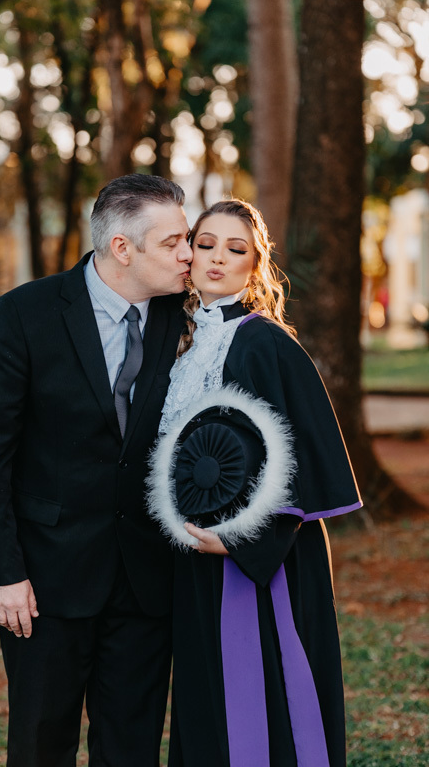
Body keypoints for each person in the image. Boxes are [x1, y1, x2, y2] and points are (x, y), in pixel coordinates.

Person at [0, 174, 193, 767]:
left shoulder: (184, 317)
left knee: (132, 747)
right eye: (172, 243)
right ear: (123, 248)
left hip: (145, 578)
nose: (188, 255)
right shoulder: (24, 314)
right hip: (44, 581)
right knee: (42, 744)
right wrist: (2, 571)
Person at [147, 199, 362, 767]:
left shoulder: (265, 343)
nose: (218, 258)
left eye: (236, 249)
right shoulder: (181, 343)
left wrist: (244, 540)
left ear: (256, 265)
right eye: (207, 243)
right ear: (188, 253)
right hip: (196, 554)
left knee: (260, 703)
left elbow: (304, 459)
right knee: (206, 699)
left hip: (263, 559)